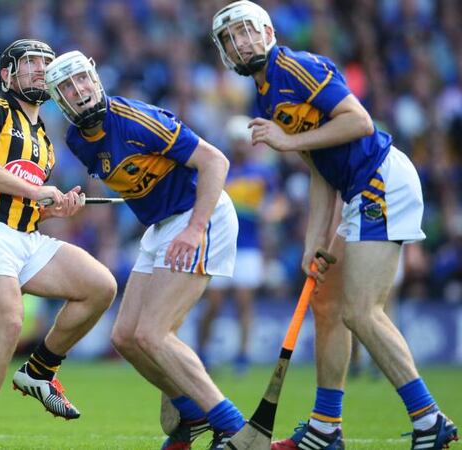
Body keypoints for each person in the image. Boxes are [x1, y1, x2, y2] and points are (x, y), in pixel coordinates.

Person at [210, 2, 459, 449]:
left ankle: (430, 420)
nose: (241, 42)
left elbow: (359, 122)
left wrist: (289, 140)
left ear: (267, 32)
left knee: (361, 311)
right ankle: (326, 428)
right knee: (327, 306)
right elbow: (321, 168)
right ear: (225, 52)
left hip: (380, 178)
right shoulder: (266, 93)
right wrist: (313, 243)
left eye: (248, 31)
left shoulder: (296, 67)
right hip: (356, 189)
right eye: (232, 38)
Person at [44, 50, 245, 450]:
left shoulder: (137, 119)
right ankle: (190, 413)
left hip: (198, 215)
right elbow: (128, 180)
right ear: (57, 99)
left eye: (82, 79)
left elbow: (214, 162)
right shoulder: (75, 141)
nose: (78, 90)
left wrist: (195, 228)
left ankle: (235, 428)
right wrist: (76, 203)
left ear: (96, 79)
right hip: (161, 226)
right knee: (125, 338)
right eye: (66, 86)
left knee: (153, 334)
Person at [0, 39, 117, 450]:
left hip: (26, 237)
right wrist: (35, 188)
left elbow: (28, 201)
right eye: (31, 63)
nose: (42, 69)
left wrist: (56, 209)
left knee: (100, 286)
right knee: (8, 324)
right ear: (8, 75)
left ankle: (39, 371)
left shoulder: (43, 135)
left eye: (46, 62)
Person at [197, 114, 286, 375]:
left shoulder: (263, 173)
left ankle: (243, 355)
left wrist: (272, 212)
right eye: (235, 140)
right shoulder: (220, 169)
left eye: (242, 141)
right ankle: (202, 352)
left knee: (244, 301)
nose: (239, 145)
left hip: (249, 245)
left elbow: (279, 203)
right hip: (220, 244)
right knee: (213, 302)